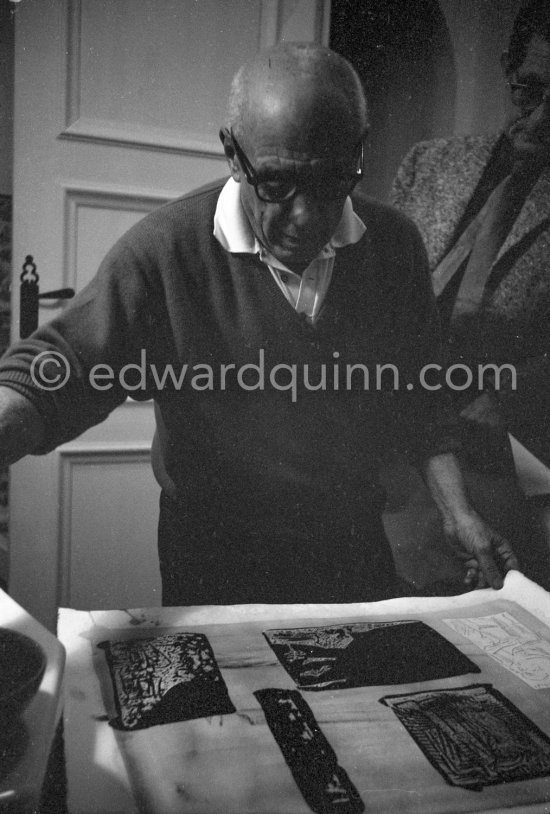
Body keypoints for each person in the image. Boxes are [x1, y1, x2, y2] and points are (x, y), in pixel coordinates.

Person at [0, 44, 517, 605]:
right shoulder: (163, 252)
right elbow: (56, 374)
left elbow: (423, 402)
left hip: (351, 548)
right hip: (214, 555)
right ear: (231, 152)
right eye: (275, 184)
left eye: (331, 182)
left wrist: (459, 515)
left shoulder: (394, 245)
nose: (305, 218)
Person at [391, 0, 550, 588]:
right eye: (530, 91)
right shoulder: (430, 163)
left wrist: (507, 397)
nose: (539, 120)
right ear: (509, 67)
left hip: (498, 457)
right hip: (393, 435)